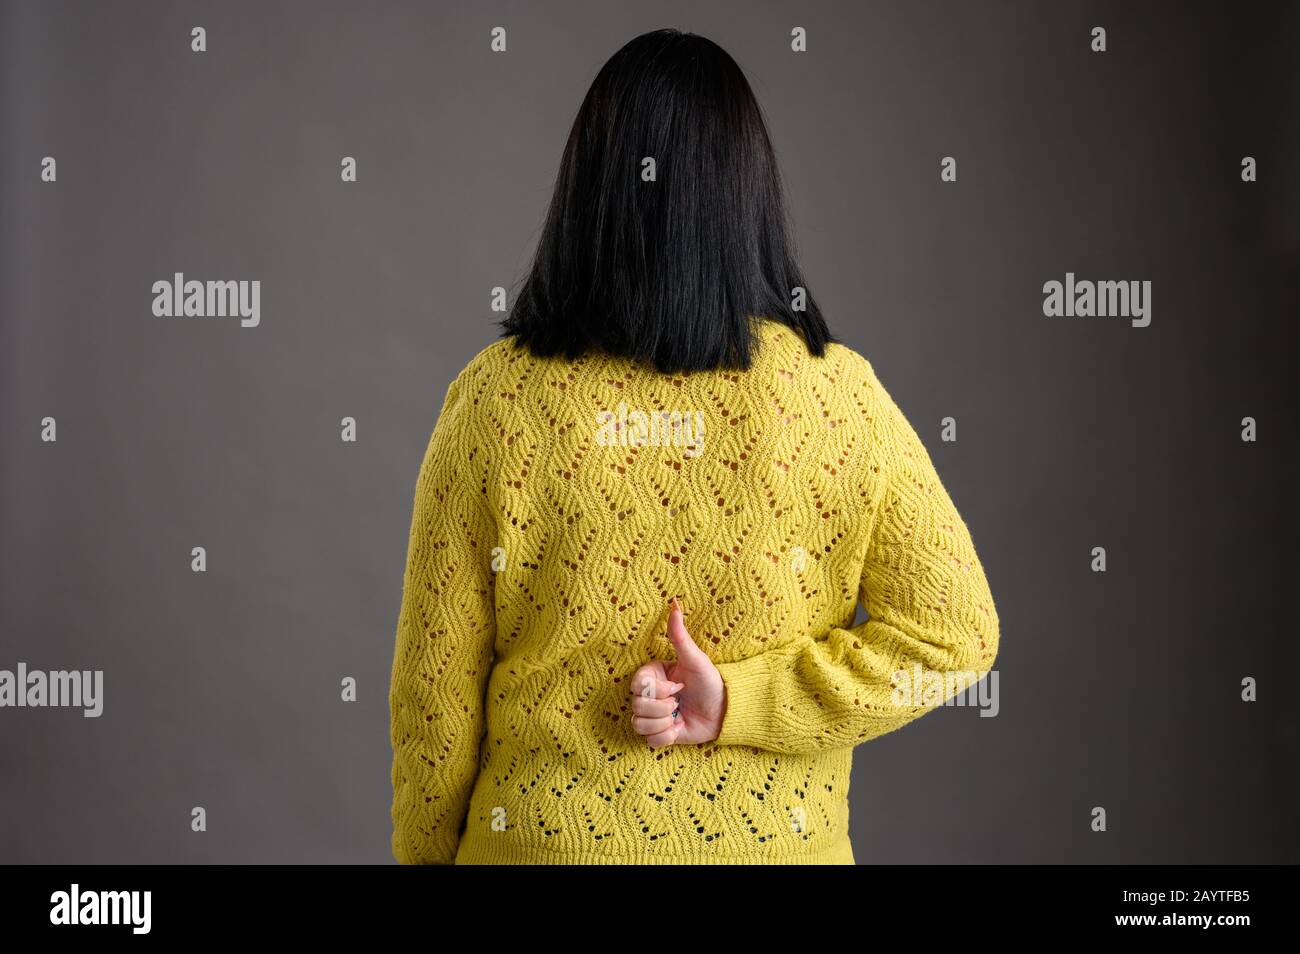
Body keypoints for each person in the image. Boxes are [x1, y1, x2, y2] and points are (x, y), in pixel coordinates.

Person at [388, 28, 1000, 865]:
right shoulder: (839, 396)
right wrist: (744, 704)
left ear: (588, 187)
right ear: (747, 193)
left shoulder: (496, 399)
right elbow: (953, 636)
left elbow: (434, 694)